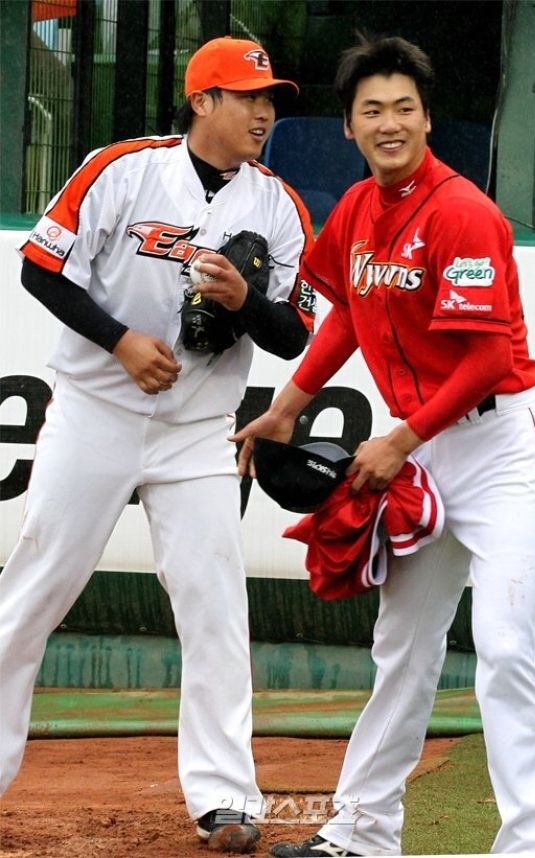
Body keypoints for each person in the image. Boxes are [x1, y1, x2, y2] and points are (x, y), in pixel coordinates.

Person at [231, 34, 535, 857]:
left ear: (426, 119)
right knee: (401, 647)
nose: (389, 123)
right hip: (425, 450)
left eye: (404, 108)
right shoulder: (354, 209)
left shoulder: (463, 213)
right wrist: (287, 406)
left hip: (499, 449)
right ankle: (362, 832)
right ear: (348, 126)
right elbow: (346, 312)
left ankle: (528, 846)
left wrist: (400, 439)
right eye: (371, 109)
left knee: (503, 647)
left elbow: (487, 358)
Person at [0, 36, 315, 854]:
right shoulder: (123, 169)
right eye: (247, 97)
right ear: (202, 101)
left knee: (215, 608)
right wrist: (120, 342)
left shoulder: (278, 205)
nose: (263, 113)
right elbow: (39, 269)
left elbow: (292, 335)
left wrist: (243, 301)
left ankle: (225, 798)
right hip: (96, 412)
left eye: (269, 100)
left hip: (197, 430)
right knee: (33, 595)